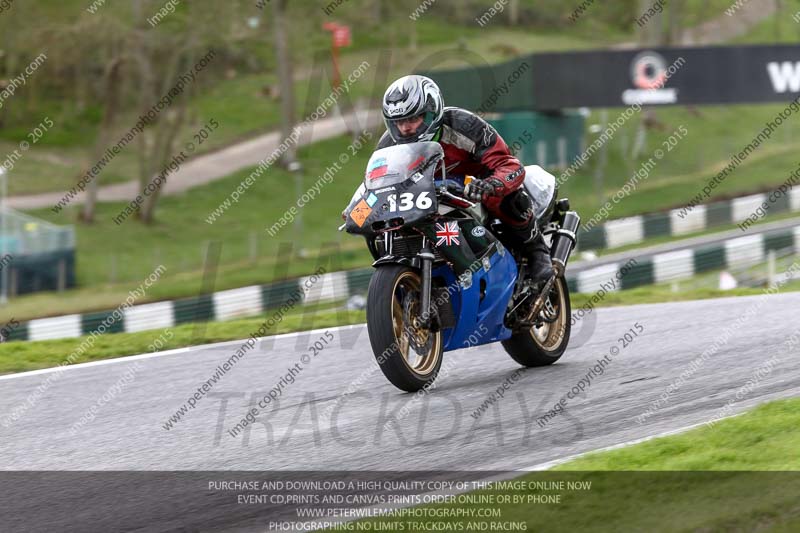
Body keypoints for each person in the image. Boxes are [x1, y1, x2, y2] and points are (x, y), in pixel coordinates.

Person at [377, 74, 553, 284]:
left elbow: (509, 164)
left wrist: (492, 184)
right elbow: (378, 185)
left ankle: (537, 251)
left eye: (412, 119)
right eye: (398, 121)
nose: (405, 128)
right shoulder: (388, 146)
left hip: (477, 187)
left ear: (432, 112)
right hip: (426, 200)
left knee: (506, 198)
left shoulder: (464, 125)